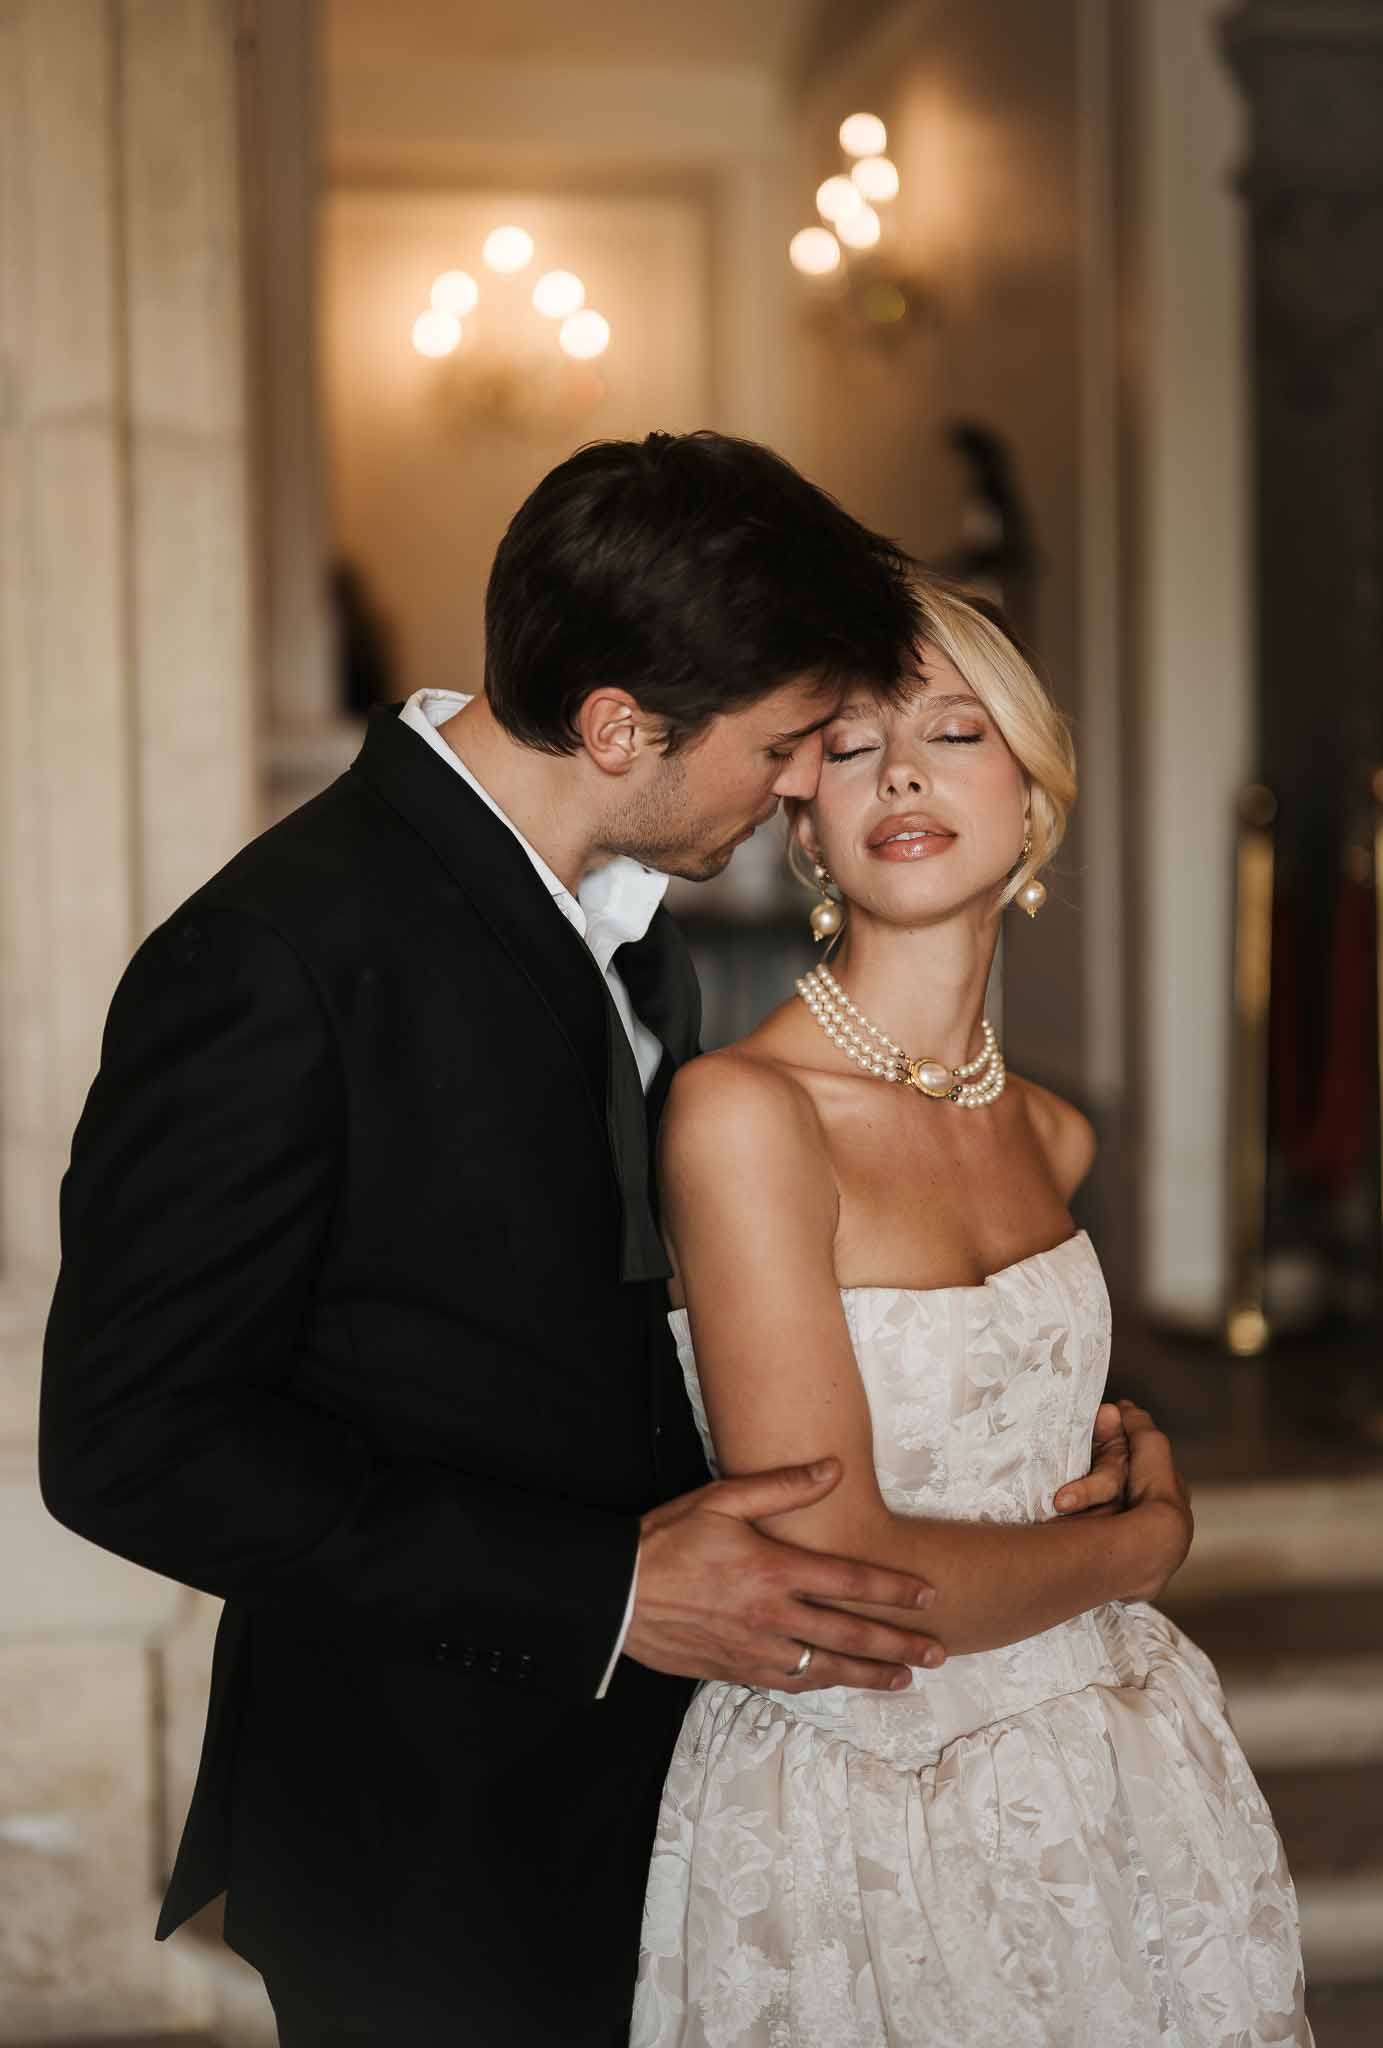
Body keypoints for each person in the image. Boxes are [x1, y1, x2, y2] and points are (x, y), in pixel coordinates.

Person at [39, 432, 1158, 2048]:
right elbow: (129, 1440)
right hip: (430, 1844)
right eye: (784, 744)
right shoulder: (278, 955)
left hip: (691, 1802)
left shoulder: (635, 937)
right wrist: (604, 1593)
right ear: (623, 727)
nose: (804, 786)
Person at [635, 577, 1311, 2047]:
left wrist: (1109, 1475)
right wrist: (1139, 1546)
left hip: (1116, 1769)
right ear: (805, 825)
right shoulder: (744, 1115)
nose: (903, 774)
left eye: (954, 732)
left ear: (1034, 803)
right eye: (853, 745)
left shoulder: (1054, 1135)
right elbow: (838, 1569)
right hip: (862, 1804)